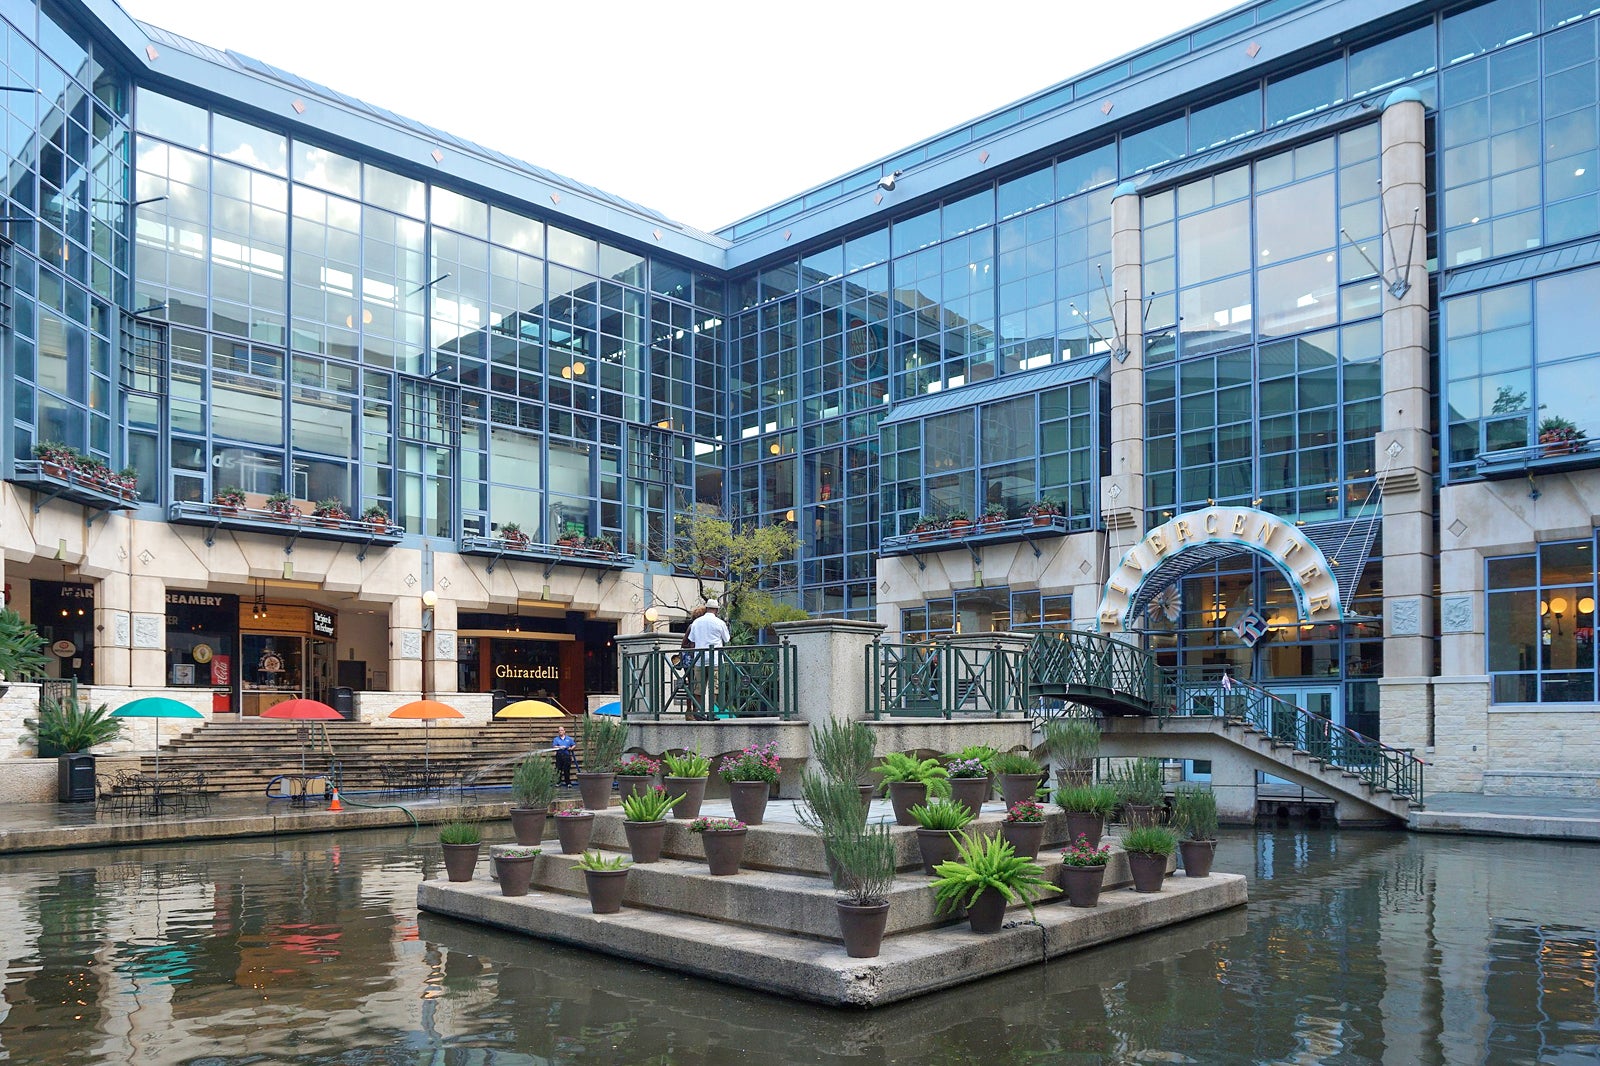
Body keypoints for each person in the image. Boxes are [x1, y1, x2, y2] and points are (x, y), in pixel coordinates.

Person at [686, 598, 731, 718]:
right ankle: (711, 712)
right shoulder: (719, 623)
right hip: (715, 659)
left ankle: (700, 711)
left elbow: (692, 639)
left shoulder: (696, 622)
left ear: (706, 608)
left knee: (699, 687)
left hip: (699, 659)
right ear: (716, 610)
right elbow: (727, 639)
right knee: (714, 687)